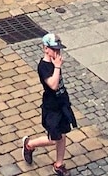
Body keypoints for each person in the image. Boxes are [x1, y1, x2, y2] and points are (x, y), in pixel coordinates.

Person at [22, 33, 77, 174]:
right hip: (51, 107)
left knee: (63, 134)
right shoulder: (44, 66)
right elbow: (52, 85)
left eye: (58, 49)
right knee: (54, 138)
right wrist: (57, 67)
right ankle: (29, 145)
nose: (57, 52)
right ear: (46, 49)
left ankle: (59, 164)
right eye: (54, 49)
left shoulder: (54, 61)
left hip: (62, 103)